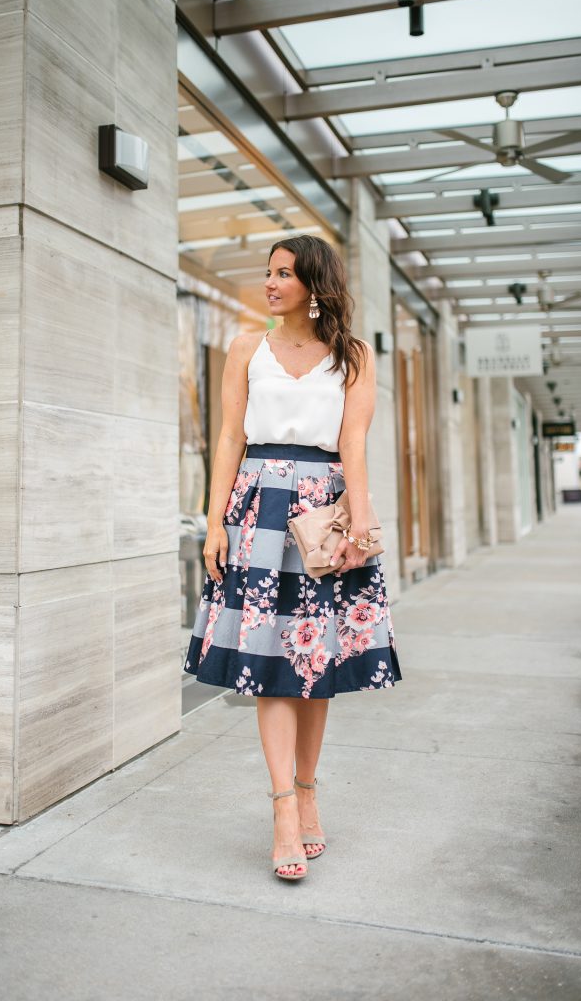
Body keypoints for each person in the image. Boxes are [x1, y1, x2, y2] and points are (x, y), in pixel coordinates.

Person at [184, 234, 402, 882]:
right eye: (269, 272)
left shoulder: (354, 355)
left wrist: (361, 523)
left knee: (313, 661)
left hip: (320, 515)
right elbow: (228, 436)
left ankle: (308, 791)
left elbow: (353, 446)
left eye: (284, 273)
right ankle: (284, 807)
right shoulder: (247, 348)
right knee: (269, 663)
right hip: (256, 512)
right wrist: (215, 519)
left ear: (314, 283)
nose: (271, 282)